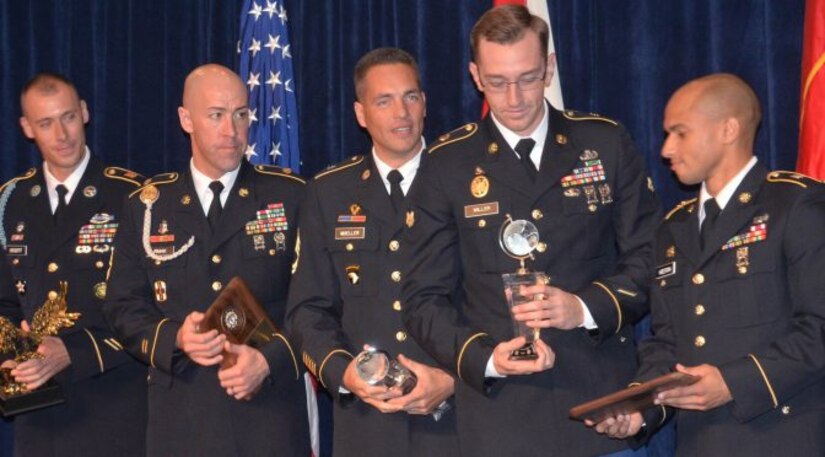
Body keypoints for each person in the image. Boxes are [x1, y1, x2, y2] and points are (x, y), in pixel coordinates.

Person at [401, 5, 661, 456]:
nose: (515, 97)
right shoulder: (447, 164)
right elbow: (423, 298)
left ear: (550, 67)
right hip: (501, 420)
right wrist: (485, 358)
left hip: (599, 409)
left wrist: (582, 307)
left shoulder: (603, 143)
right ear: (476, 76)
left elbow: (651, 258)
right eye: (498, 82)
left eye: (527, 77)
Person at [589, 73, 825, 455]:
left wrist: (733, 383)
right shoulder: (674, 227)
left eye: (680, 133)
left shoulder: (796, 206)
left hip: (785, 437)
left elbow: (819, 328)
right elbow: (667, 343)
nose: (666, 149)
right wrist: (638, 408)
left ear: (728, 129)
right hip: (702, 443)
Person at [102, 64, 310, 456]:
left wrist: (270, 361)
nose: (232, 131)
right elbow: (122, 306)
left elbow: (315, 305)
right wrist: (176, 337)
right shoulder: (147, 206)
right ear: (186, 119)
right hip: (182, 417)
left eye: (241, 114)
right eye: (216, 115)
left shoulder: (292, 196)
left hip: (269, 415)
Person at [286, 47, 459, 456]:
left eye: (410, 97)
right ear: (361, 114)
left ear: (425, 104)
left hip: (458, 421)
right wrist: (343, 371)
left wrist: (455, 377)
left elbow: (491, 299)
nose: (402, 112)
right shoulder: (329, 193)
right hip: (367, 430)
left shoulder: (462, 178)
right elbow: (307, 310)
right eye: (384, 100)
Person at [0, 73, 147, 457]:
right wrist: (12, 358)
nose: (61, 134)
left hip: (113, 406)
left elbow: (153, 308)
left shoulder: (131, 196)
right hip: (37, 415)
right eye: (46, 123)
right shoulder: (10, 202)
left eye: (67, 117)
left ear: (84, 113)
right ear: (27, 128)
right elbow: (3, 303)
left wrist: (75, 352)